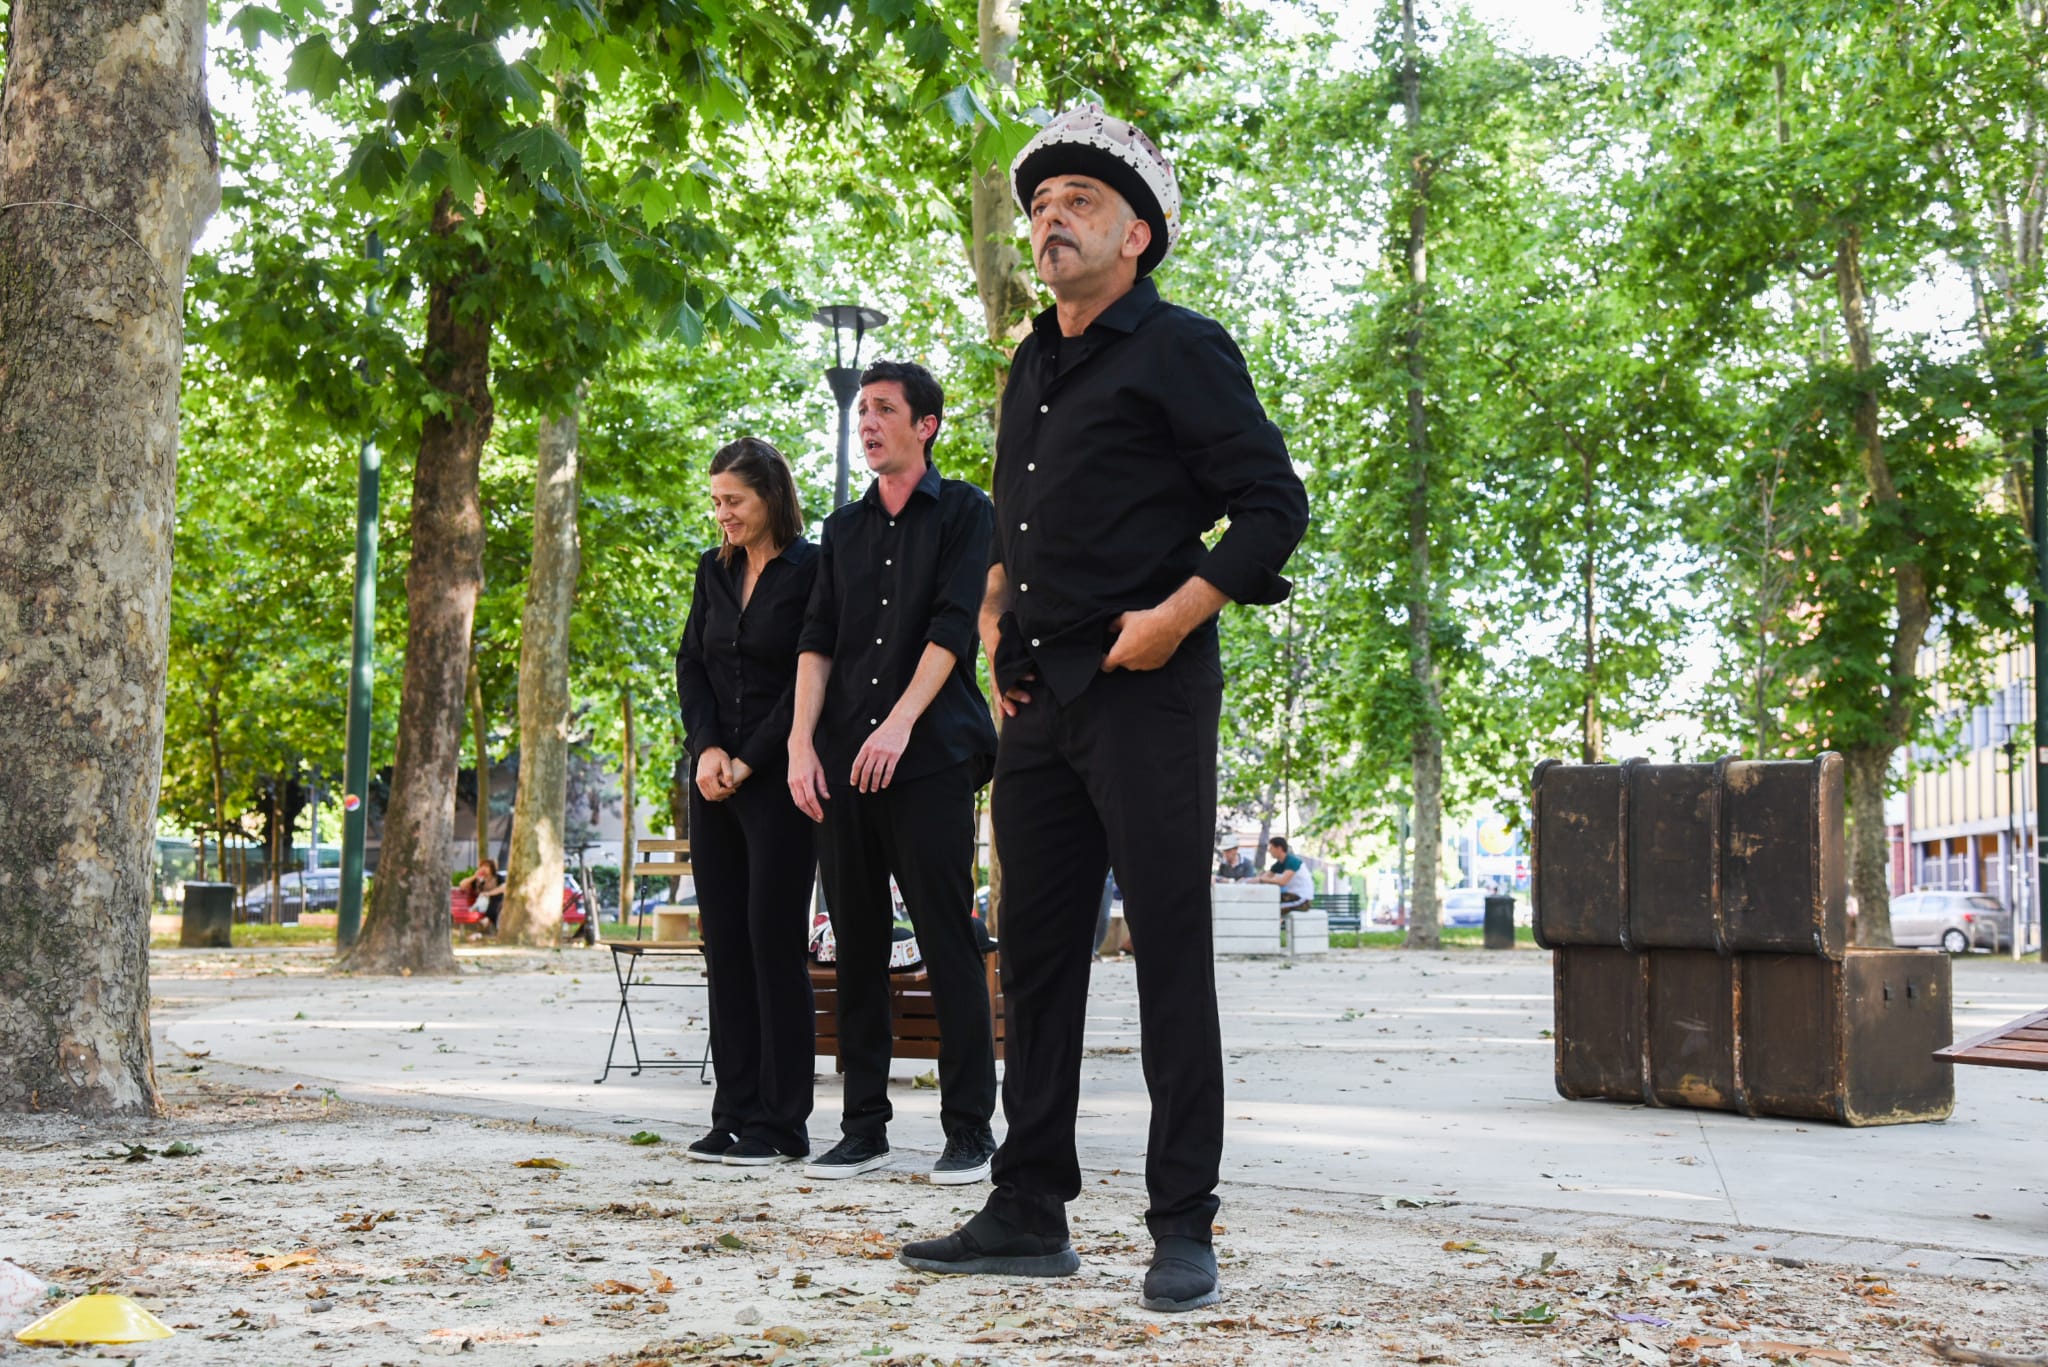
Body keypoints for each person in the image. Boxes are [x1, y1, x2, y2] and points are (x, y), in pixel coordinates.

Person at [898, 106, 1309, 1311]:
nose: (1050, 218)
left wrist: (1175, 616)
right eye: (1038, 204)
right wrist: (991, 613)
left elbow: (1272, 505)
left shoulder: (1181, 348)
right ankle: (1028, 1206)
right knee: (1033, 960)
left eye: (1077, 199)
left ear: (1138, 233)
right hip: (1038, 702)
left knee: (1170, 951)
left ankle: (1182, 1221)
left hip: (1148, 689)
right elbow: (1019, 520)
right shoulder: (1030, 363)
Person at [788, 359, 1001, 1186]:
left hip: (932, 755)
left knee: (948, 937)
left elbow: (953, 627)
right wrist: (802, 744)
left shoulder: (967, 510)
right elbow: (817, 641)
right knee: (857, 943)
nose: (868, 422)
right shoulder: (841, 530)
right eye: (862, 411)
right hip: (842, 760)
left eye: (884, 409)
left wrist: (900, 724)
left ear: (926, 425)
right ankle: (863, 1129)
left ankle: (969, 1130)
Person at [675, 437, 820, 1168]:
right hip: (712, 781)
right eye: (716, 502)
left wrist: (750, 758)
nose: (722, 514)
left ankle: (782, 1121)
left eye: (733, 500)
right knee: (725, 944)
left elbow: (807, 678)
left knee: (772, 942)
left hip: (779, 780)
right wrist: (706, 749)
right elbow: (691, 663)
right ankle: (732, 1112)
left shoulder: (812, 568)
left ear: (770, 496)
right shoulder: (714, 569)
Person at [1258, 836, 1314, 913]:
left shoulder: (1292, 861)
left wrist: (1263, 879)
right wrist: (1245, 881)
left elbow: (1283, 882)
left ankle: (1278, 920)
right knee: (1265, 901)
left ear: (1279, 848)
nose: (1269, 851)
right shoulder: (1279, 864)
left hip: (1303, 900)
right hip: (1292, 896)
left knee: (1271, 909)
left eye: (1271, 848)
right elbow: (1263, 878)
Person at [460, 858, 504, 935]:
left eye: (486, 866)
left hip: (495, 905)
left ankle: (486, 921)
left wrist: (489, 893)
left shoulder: (498, 878)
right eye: (482, 866)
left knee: (497, 897)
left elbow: (504, 888)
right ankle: (487, 922)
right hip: (481, 905)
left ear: (492, 868)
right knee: (496, 900)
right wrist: (474, 876)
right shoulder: (478, 880)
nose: (483, 868)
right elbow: (462, 885)